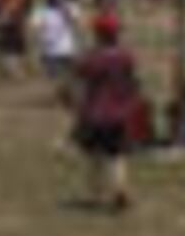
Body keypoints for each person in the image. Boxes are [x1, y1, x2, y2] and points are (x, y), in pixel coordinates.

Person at [65, 11, 151, 212]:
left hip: (95, 114)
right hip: (119, 113)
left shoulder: (94, 58)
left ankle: (95, 195)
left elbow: (78, 75)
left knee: (94, 157)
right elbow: (132, 81)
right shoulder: (126, 56)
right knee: (117, 155)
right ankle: (120, 189)